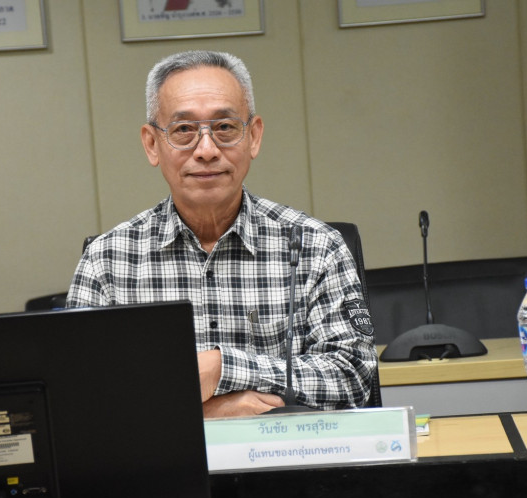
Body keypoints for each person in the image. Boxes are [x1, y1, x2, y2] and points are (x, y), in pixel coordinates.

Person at [66, 50, 377, 418]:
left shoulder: (316, 246)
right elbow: (78, 397)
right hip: (166, 457)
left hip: (286, 453)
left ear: (254, 136)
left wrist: (223, 367)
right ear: (152, 144)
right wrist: (205, 414)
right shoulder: (107, 261)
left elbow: (352, 376)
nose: (207, 150)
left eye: (225, 127)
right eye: (183, 130)